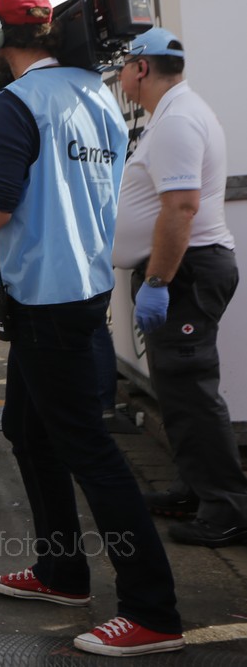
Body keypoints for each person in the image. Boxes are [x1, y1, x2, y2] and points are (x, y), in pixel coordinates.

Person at [0, 0, 182, 656]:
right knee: (26, 429)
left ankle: (153, 611)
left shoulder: (20, 101)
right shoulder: (96, 94)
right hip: (78, 288)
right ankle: (60, 571)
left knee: (88, 449)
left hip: (46, 298)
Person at [111, 27, 246, 548]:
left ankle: (227, 509)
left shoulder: (177, 120)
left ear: (142, 68)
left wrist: (157, 280)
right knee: (179, 392)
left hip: (185, 272)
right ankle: (197, 490)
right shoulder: (172, 115)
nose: (121, 76)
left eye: (124, 66)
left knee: (190, 392)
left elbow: (181, 207)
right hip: (182, 270)